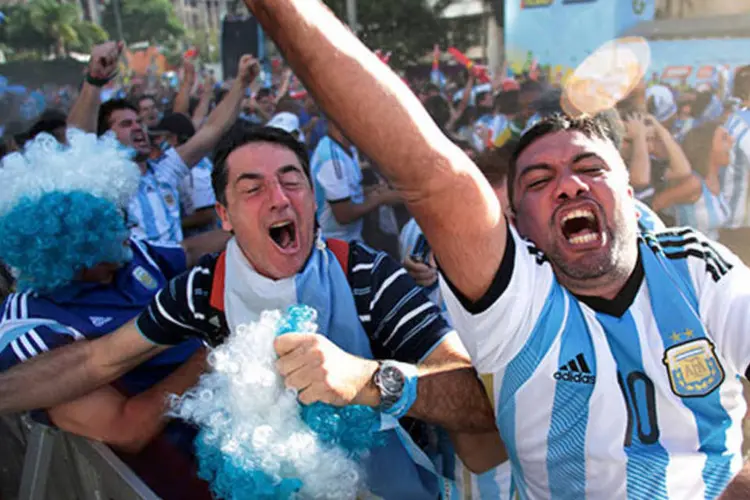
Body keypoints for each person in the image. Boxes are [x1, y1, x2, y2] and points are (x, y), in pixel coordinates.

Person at [224, 1, 750, 497]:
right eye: (540, 180)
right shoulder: (519, 304)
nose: (569, 186)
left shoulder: (697, 267)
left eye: (590, 169)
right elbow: (431, 173)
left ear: (631, 195)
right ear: (517, 226)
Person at [0, 123, 500, 499]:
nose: (279, 199)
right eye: (253, 188)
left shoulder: (367, 276)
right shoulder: (201, 291)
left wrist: (369, 379)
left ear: (312, 197)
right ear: (225, 214)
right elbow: (98, 361)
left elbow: (473, 400)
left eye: (292, 181)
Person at [0, 130, 221, 498]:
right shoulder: (33, 325)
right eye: (111, 220)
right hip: (183, 473)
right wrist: (212, 350)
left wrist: (250, 233)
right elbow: (126, 429)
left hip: (227, 425)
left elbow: (191, 249)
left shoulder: (128, 257)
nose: (127, 227)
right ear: (74, 241)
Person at [68, 42, 255, 244]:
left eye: (139, 122)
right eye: (126, 124)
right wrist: (94, 81)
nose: (138, 127)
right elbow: (79, 141)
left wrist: (241, 84)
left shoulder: (163, 171)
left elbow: (212, 130)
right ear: (106, 137)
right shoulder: (103, 183)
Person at [310, 120, 400, 242]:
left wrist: (375, 190)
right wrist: (380, 199)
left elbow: (349, 191)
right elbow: (343, 215)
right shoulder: (331, 159)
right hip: (335, 243)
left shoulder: (347, 148)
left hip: (351, 237)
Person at [672, 121, 733, 239]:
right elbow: (656, 205)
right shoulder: (693, 184)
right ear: (707, 146)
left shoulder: (716, 179)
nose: (732, 140)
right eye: (724, 138)